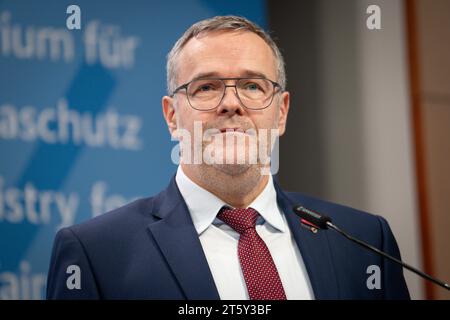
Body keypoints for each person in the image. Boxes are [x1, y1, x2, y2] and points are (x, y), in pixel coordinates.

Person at [46, 15, 410, 300]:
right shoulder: (95, 253)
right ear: (172, 116)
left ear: (281, 112)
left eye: (252, 85)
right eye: (206, 87)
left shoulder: (364, 242)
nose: (231, 104)